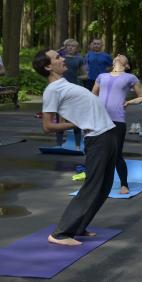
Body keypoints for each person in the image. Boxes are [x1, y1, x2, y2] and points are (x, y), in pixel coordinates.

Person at [32, 49, 117, 246]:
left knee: (104, 187)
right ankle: (61, 233)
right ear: (47, 66)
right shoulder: (52, 90)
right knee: (92, 187)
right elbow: (47, 126)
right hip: (97, 138)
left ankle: (79, 227)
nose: (63, 59)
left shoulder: (64, 84)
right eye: (57, 57)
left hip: (106, 133)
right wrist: (76, 124)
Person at [92, 54, 142, 195]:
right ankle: (96, 184)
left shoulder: (130, 77)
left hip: (117, 119)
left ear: (127, 65)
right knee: (98, 153)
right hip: (100, 118)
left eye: (122, 56)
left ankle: (124, 184)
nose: (118, 55)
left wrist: (129, 102)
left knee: (116, 154)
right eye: (116, 55)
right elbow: (93, 95)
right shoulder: (101, 76)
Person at [56, 38, 87, 150]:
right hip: (60, 90)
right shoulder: (59, 58)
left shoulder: (80, 59)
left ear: (77, 48)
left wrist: (77, 78)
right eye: (68, 45)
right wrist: (59, 49)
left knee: (75, 117)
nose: (70, 47)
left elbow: (85, 75)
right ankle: (59, 144)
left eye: (73, 46)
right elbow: (48, 59)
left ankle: (78, 146)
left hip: (74, 90)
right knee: (60, 118)